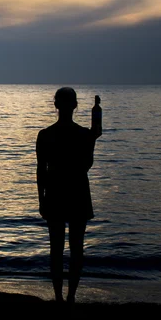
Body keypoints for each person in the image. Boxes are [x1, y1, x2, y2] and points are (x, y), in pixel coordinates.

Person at [36, 87, 98, 304]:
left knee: (56, 249)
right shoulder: (83, 134)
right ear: (74, 105)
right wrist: (92, 140)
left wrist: (41, 199)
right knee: (76, 248)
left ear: (55, 105)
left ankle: (59, 297)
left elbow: (40, 170)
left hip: (54, 192)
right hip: (78, 191)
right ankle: (70, 296)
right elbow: (86, 166)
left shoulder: (45, 135)